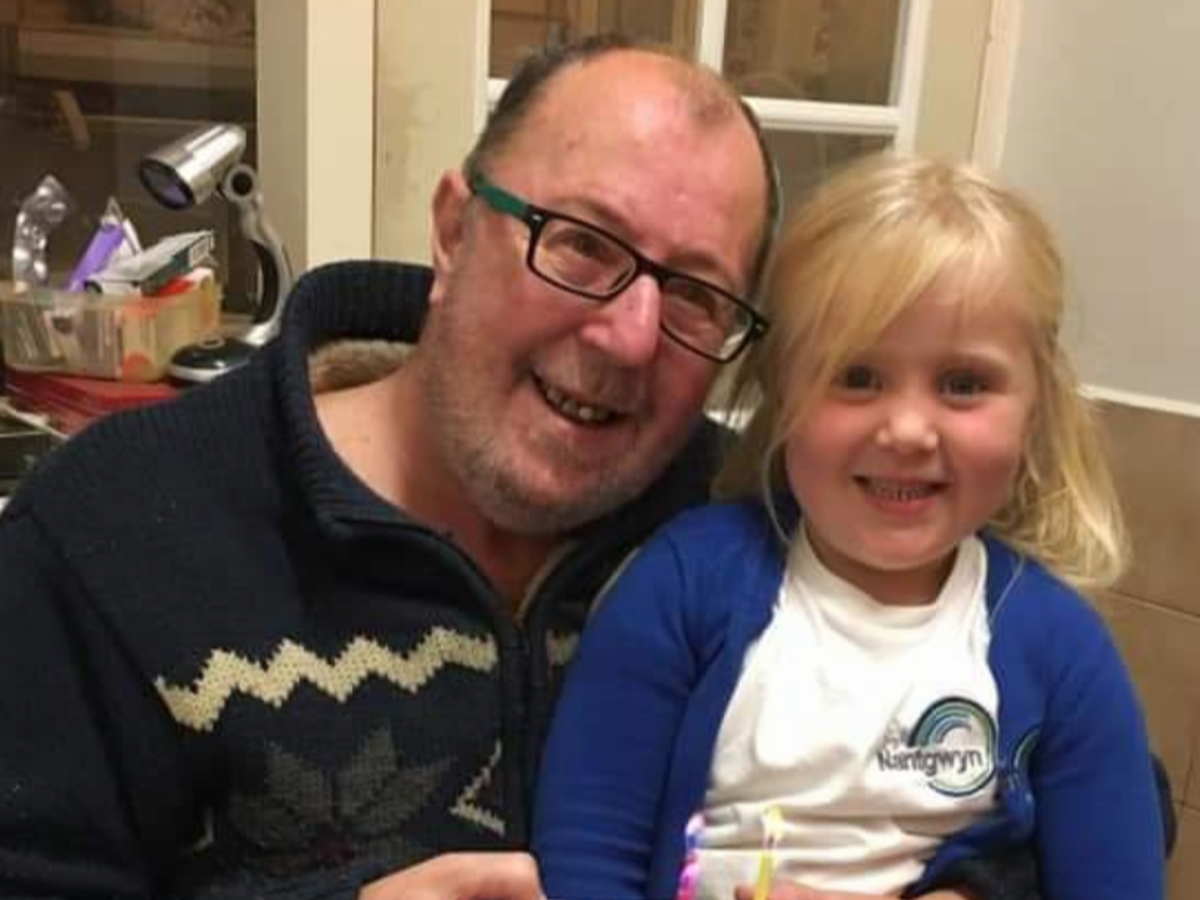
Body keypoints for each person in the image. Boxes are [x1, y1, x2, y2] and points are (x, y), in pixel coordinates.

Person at [0, 36, 1101, 900]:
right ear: (453, 230)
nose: (628, 334)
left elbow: (1068, 774)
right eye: (580, 242)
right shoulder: (109, 528)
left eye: (695, 294)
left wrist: (974, 893)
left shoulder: (762, 520)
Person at [532, 155, 1166, 900]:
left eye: (963, 384)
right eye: (857, 376)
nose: (907, 430)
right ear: (783, 392)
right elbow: (586, 856)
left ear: (1035, 413)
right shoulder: (681, 586)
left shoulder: (1062, 649)